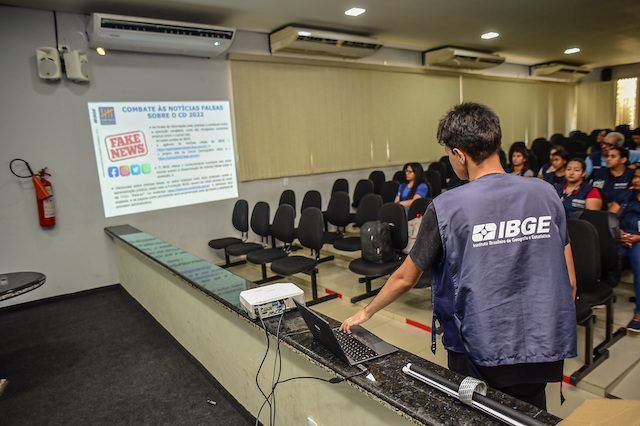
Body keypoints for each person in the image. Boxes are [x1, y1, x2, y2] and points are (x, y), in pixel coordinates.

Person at [340, 102, 577, 411]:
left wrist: (365, 312)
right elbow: (569, 280)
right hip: (540, 342)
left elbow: (405, 277)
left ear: (459, 154)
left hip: (477, 346)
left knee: (476, 414)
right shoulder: (546, 193)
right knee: (528, 414)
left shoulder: (447, 207)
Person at [613, 168, 640, 333]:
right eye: (635, 176)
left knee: (639, 262)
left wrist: (637, 238)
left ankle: (639, 314)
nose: (636, 180)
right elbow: (611, 216)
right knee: (605, 252)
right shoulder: (627, 195)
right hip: (623, 235)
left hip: (638, 239)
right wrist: (620, 232)